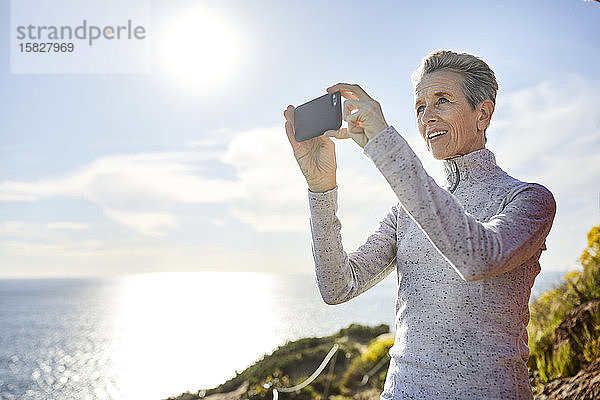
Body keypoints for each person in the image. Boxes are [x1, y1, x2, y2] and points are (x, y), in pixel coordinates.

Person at [282, 50, 557, 399]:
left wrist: (382, 143)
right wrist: (321, 189)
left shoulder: (529, 199)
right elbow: (338, 286)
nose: (427, 117)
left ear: (483, 114)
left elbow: (477, 257)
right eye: (419, 107)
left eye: (442, 100)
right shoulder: (404, 211)